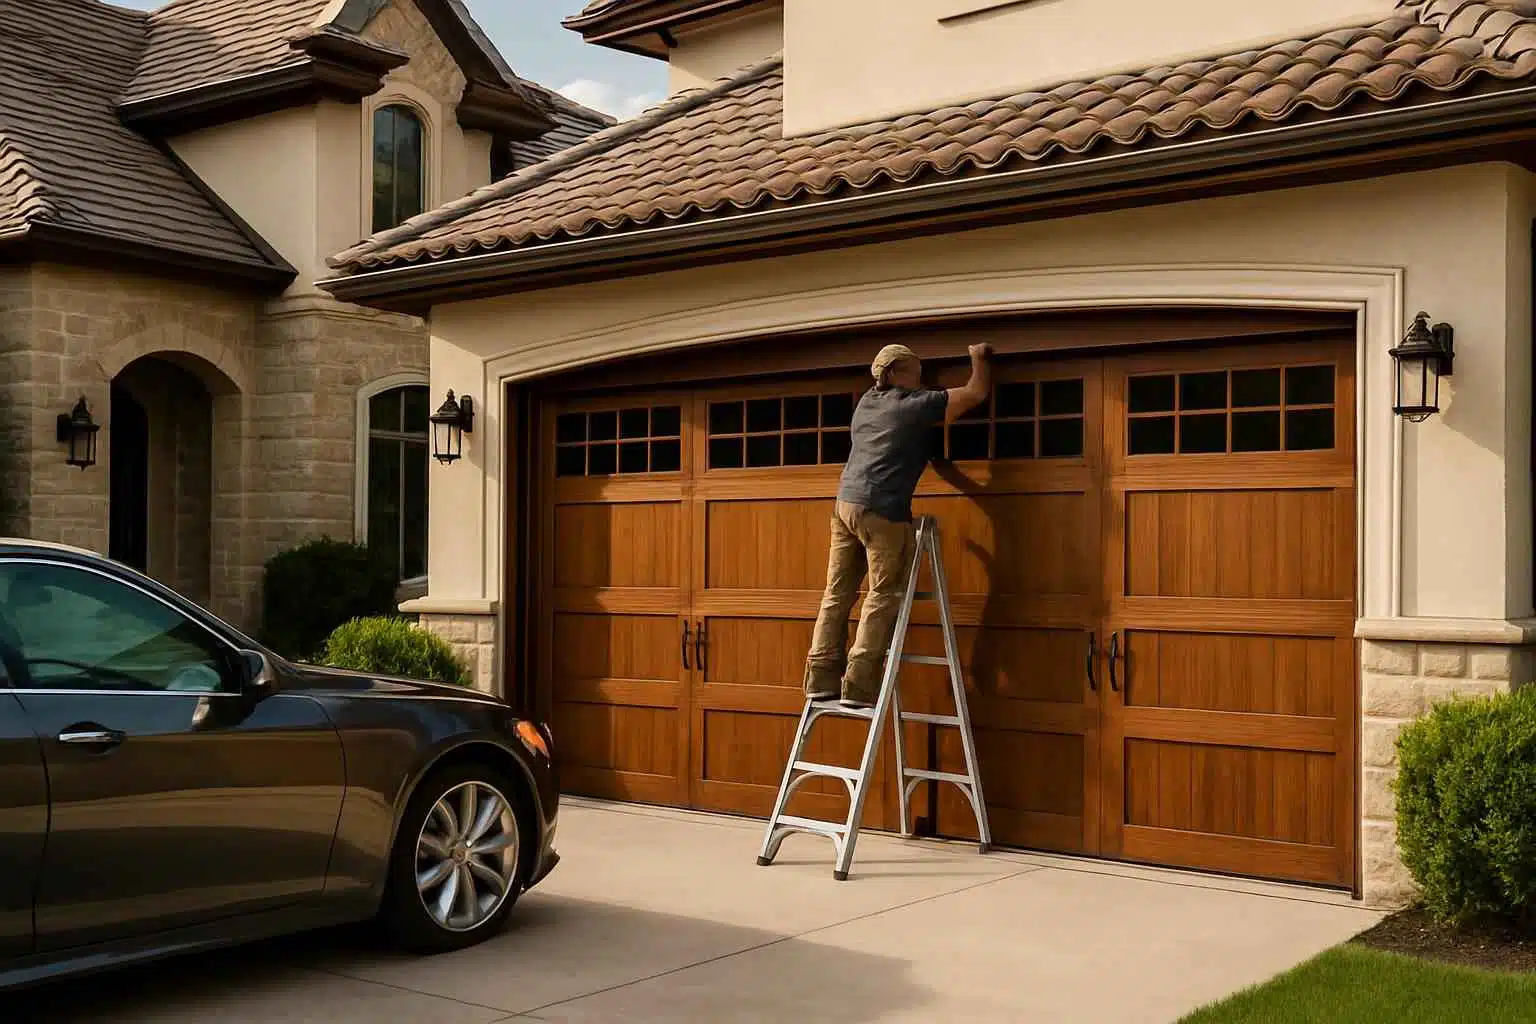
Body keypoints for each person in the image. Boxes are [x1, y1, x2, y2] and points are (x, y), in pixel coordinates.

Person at [803, 341, 993, 708]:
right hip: (882, 508)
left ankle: (820, 676)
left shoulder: (866, 404)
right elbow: (975, 392)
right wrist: (978, 358)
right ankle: (858, 685)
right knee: (883, 593)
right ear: (893, 373)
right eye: (915, 373)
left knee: (837, 593)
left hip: (845, 504)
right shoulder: (913, 406)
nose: (921, 380)